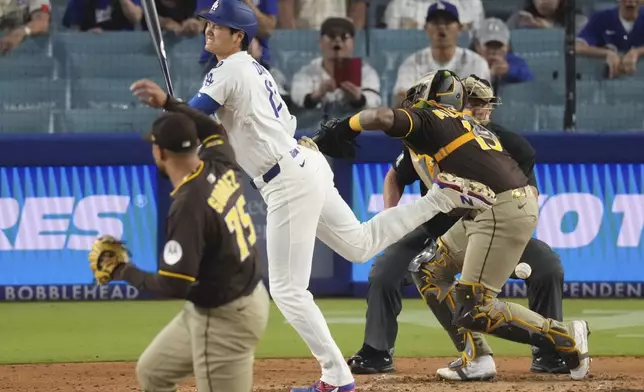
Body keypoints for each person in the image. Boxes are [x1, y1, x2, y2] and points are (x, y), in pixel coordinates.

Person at [134, 1, 497, 391]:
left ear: (238, 36)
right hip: (302, 161)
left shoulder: (232, 68)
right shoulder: (252, 68)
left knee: (289, 290)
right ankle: (440, 197)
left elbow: (196, 113)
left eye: (217, 26)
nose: (209, 29)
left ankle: (336, 377)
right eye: (208, 23)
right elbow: (213, 123)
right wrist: (178, 109)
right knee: (358, 246)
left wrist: (170, 105)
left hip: (286, 176)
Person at [312, 69, 591, 381]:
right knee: (428, 270)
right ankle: (477, 358)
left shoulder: (433, 118)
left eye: (417, 98)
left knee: (474, 309)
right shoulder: (465, 125)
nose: (412, 104)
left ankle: (565, 336)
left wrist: (348, 127)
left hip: (499, 210)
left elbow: (380, 116)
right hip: (484, 210)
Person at [88, 90, 270, 391]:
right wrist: (169, 104)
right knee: (153, 373)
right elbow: (213, 129)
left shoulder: (188, 205)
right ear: (197, 145)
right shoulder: (220, 161)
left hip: (226, 320)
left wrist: (121, 270)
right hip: (230, 300)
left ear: (160, 153)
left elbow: (175, 284)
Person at [392, 1, 489, 107]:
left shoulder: (476, 62)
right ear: (426, 28)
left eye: (448, 22)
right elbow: (401, 98)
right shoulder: (413, 63)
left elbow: (482, 103)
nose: (441, 27)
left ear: (459, 28)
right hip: (425, 121)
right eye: (435, 23)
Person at [575, 0, 644, 79]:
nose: (630, 1)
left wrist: (637, 52)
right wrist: (607, 53)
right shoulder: (602, 17)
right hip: (604, 83)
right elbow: (577, 47)